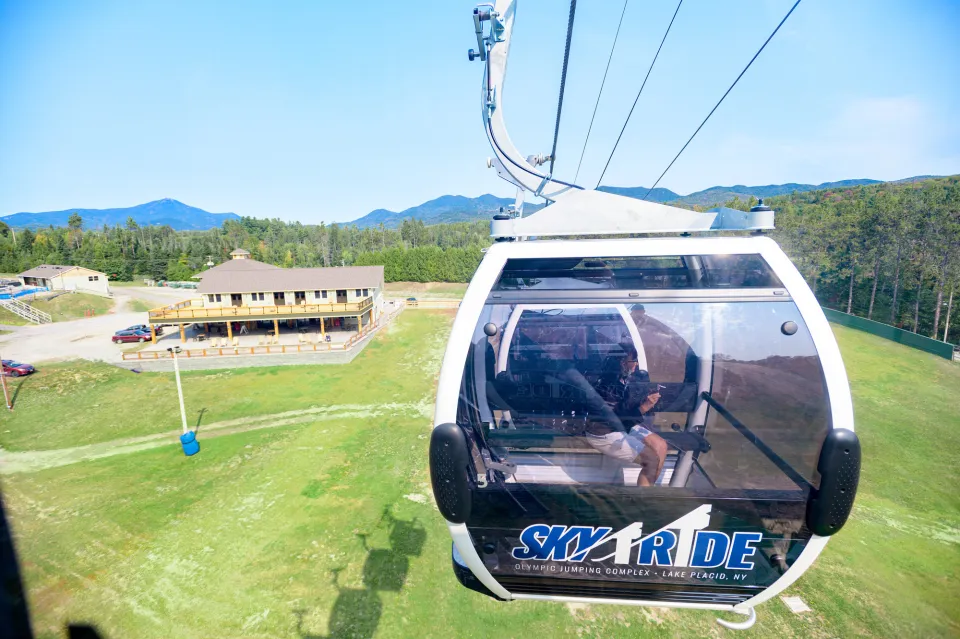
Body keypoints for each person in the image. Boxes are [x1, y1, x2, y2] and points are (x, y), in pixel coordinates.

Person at [583, 344, 668, 486]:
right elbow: (619, 420)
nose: (636, 364)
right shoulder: (609, 386)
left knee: (661, 446)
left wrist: (645, 397)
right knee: (651, 460)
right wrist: (644, 407)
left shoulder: (621, 379)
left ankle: (647, 488)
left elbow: (625, 411)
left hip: (620, 427)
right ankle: (642, 497)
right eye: (634, 360)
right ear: (622, 363)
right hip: (604, 433)